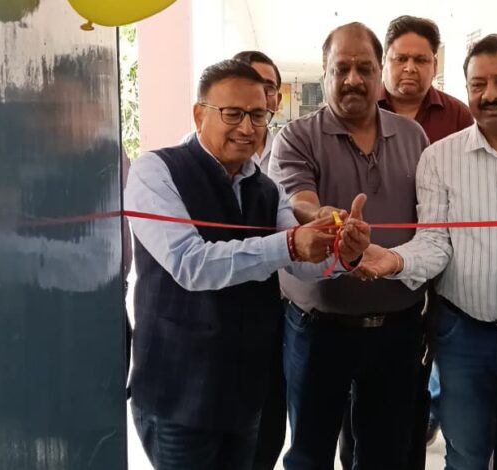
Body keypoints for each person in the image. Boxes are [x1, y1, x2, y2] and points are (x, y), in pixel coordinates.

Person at [125, 59, 370, 470]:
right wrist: (290, 244)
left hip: (244, 392)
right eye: (232, 113)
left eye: (258, 115)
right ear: (199, 114)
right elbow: (191, 264)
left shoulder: (266, 188)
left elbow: (302, 263)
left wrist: (343, 251)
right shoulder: (156, 171)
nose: (247, 127)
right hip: (178, 391)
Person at [358, 34, 497, 470]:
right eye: (478, 85)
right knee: (465, 457)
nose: (490, 94)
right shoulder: (439, 158)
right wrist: (395, 260)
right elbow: (435, 242)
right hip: (464, 339)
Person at [268, 22, 430, 470]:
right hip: (319, 330)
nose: (353, 79)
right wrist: (325, 217)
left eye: (364, 68)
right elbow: (298, 199)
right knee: (309, 454)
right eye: (341, 69)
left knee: (385, 455)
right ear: (325, 73)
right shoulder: (296, 136)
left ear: (380, 73)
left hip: (398, 329)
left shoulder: (413, 137)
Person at [338, 15, 475, 470]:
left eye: (421, 59)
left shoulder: (458, 116)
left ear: (436, 63)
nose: (410, 68)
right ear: (385, 62)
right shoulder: (356, 105)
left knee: (413, 392)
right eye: (400, 58)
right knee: (355, 404)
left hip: (436, 274)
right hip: (361, 274)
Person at [231, 49, 289, 470]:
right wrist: (292, 244)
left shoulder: (290, 146)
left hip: (277, 311)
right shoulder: (175, 166)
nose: (257, 94)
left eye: (266, 87)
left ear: (276, 99)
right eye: (247, 83)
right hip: (215, 325)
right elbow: (190, 261)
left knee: (268, 427)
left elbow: (297, 224)